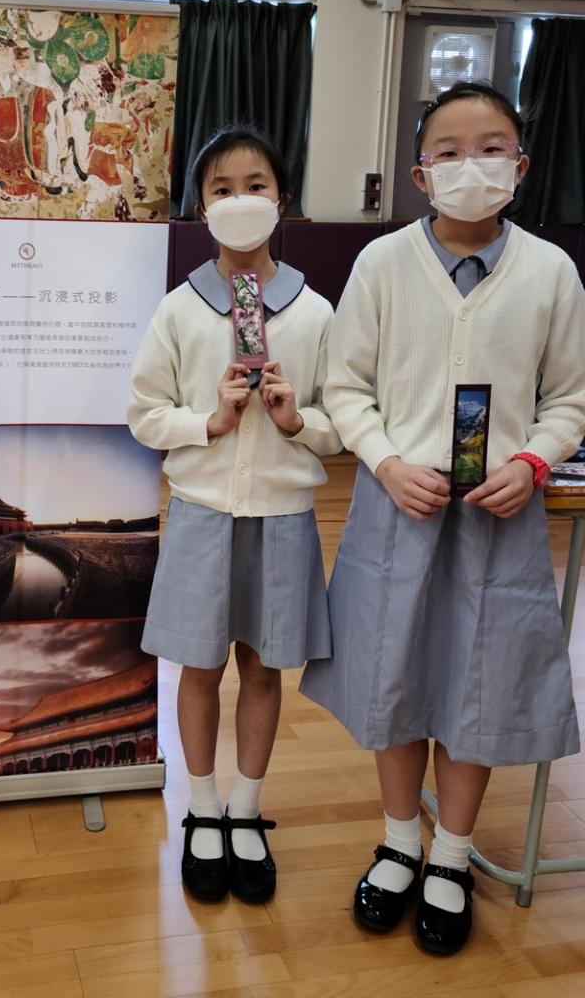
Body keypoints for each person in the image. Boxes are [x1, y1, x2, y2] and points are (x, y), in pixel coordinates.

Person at [300, 81, 585, 955]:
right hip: (400, 508)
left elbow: (569, 398)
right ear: (421, 175)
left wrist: (533, 461)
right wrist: (385, 461)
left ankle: (452, 856)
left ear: (520, 167)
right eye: (450, 152)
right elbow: (345, 386)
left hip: (499, 519)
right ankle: (398, 843)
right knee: (392, 678)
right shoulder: (383, 265)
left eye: (491, 148)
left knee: (478, 685)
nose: (472, 166)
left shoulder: (550, 272)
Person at [128, 125, 340, 904]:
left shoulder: (314, 312)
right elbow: (144, 412)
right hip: (201, 511)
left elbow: (343, 419)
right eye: (222, 188)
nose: (240, 200)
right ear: (200, 206)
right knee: (199, 666)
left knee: (262, 665)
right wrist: (208, 421)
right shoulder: (179, 310)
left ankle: (247, 808)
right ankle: (203, 808)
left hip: (283, 515)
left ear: (282, 200)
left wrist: (296, 419)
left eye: (257, 185)